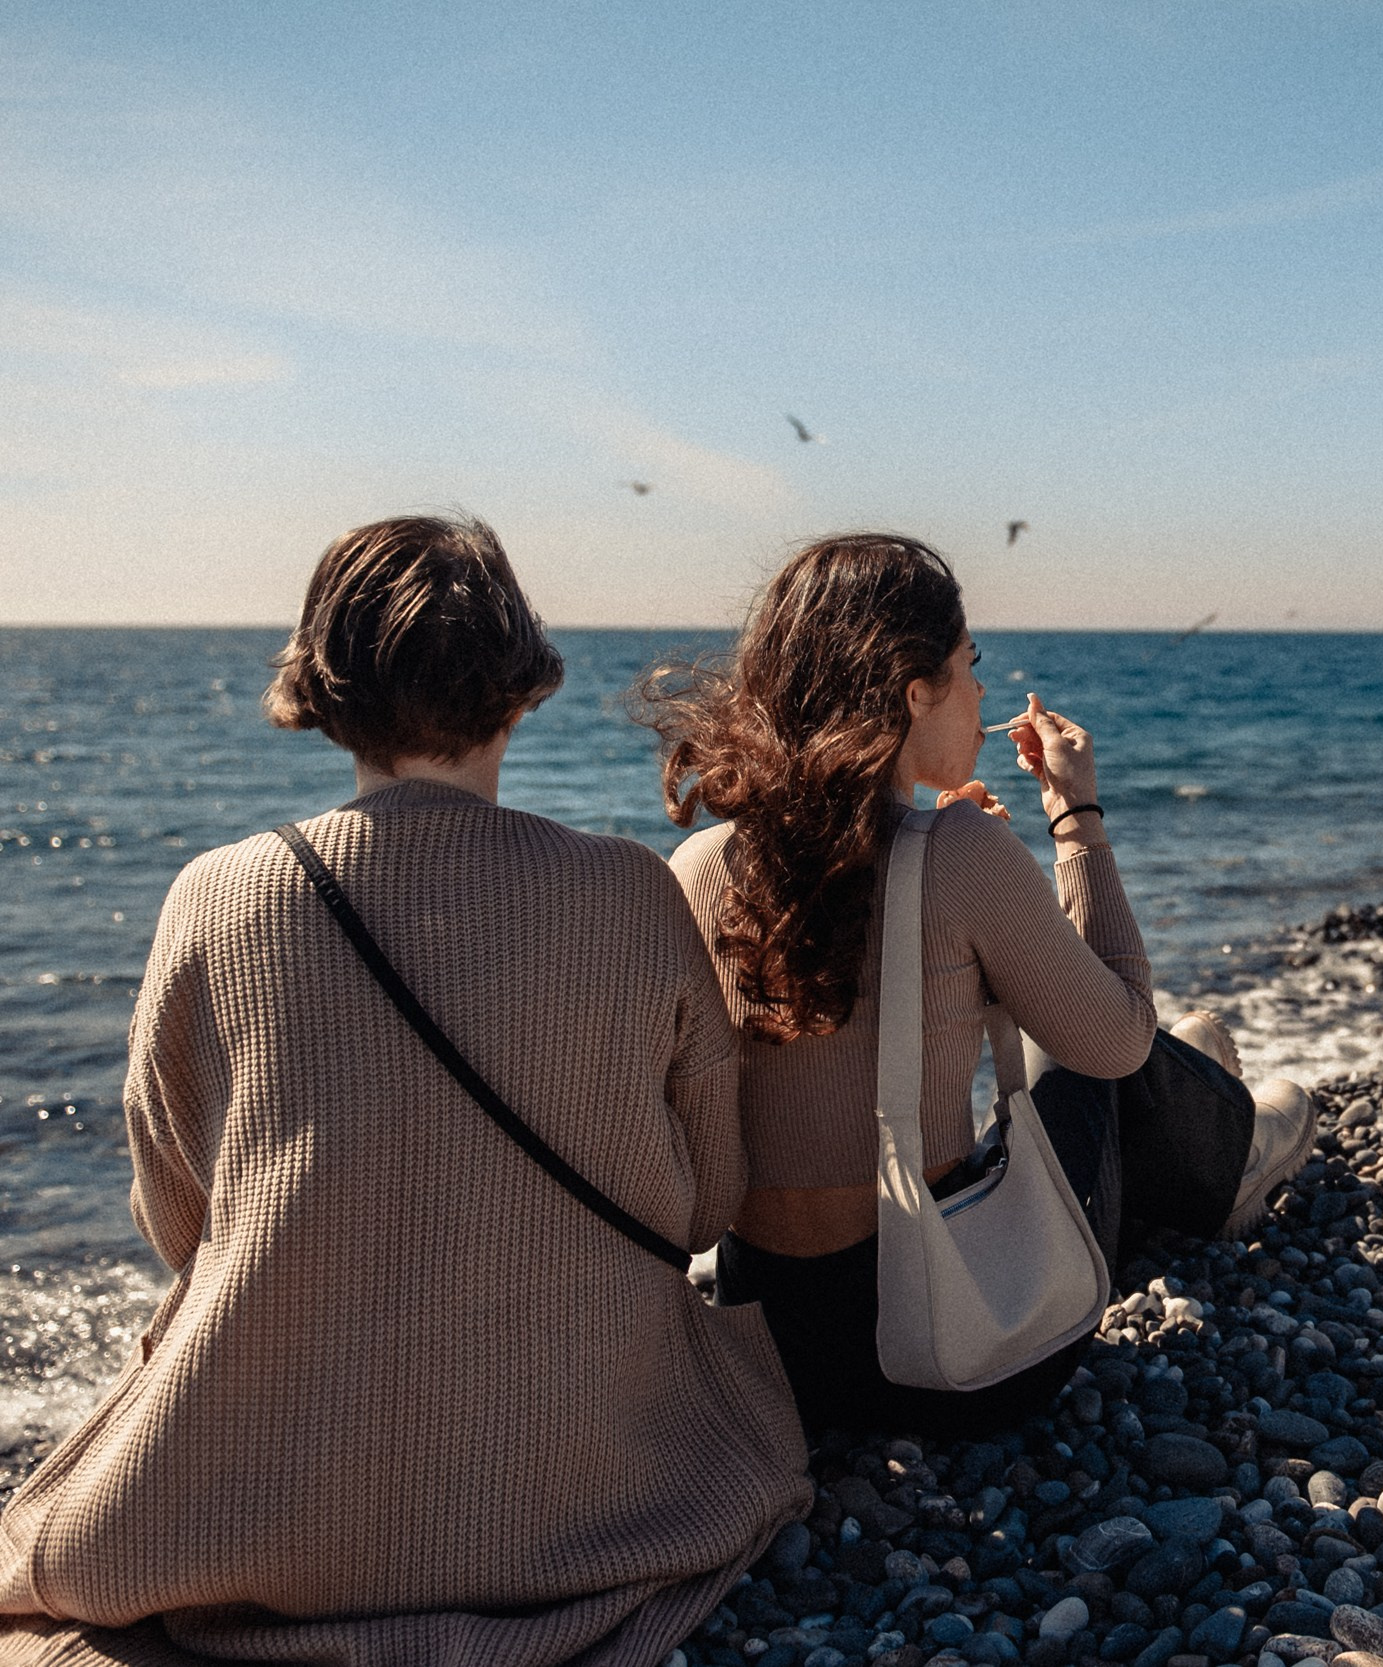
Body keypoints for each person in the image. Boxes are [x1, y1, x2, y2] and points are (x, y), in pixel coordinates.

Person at [0, 517, 810, 1667]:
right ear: (521, 686)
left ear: (323, 691)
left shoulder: (214, 896)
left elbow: (181, 1221)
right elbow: (705, 1206)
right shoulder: (633, 890)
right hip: (586, 1472)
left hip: (284, 1503)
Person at [645, 533, 1314, 1436]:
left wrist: (958, 874)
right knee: (1102, 1058)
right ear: (914, 691)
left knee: (1069, 1025)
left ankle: (1205, 1098)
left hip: (780, 1357)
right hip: (960, 1351)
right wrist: (1075, 819)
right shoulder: (960, 852)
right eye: (971, 666)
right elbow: (1116, 1037)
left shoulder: (696, 864)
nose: (983, 695)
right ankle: (1233, 1150)